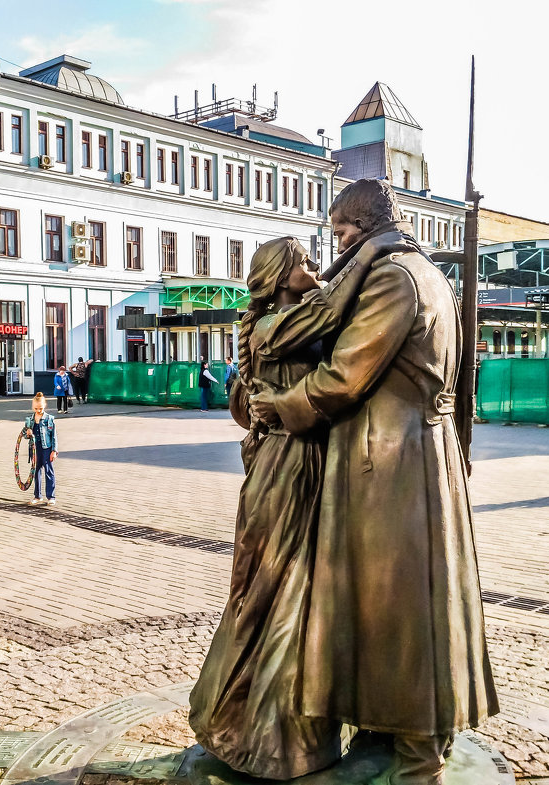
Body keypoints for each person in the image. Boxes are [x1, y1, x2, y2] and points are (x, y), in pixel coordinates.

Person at [251, 179, 499, 785]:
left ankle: (417, 755)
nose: (334, 245)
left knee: (402, 606)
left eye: (338, 232)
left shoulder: (394, 278)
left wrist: (280, 405)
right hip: (409, 455)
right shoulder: (426, 272)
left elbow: (345, 376)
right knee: (382, 601)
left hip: (391, 462)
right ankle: (382, 726)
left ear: (361, 225)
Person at [189, 236, 374, 778]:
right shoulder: (278, 325)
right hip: (288, 470)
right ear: (280, 273)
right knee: (278, 586)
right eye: (306, 261)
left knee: (288, 588)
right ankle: (260, 733)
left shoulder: (276, 325)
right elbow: (332, 309)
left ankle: (273, 724)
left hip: (293, 465)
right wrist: (368, 252)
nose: (316, 267)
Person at [23, 392, 58, 506]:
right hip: (35, 449)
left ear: (45, 406)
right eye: (37, 408)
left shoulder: (49, 419)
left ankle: (51, 496)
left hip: (46, 448)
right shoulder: (30, 420)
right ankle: (37, 496)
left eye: (41, 408)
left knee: (49, 471)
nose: (39, 410)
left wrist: (54, 450)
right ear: (33, 407)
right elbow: (24, 435)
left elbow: (54, 436)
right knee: (36, 471)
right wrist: (27, 432)